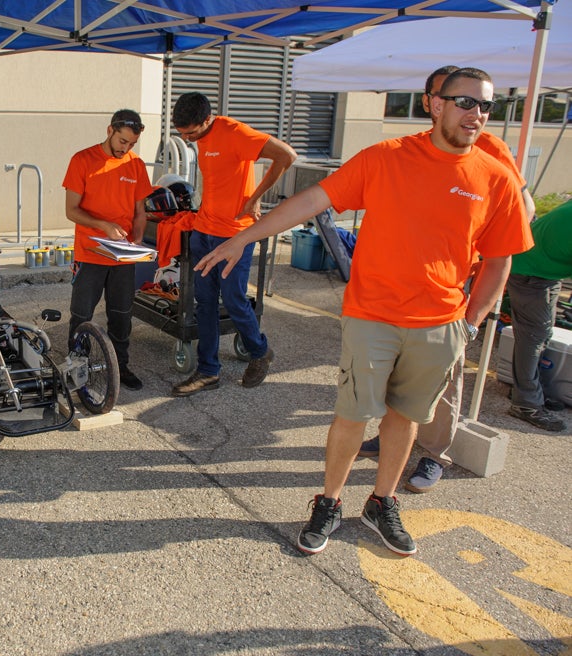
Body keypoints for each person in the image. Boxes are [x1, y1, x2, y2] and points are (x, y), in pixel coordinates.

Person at [194, 68, 532, 556]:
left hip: (440, 324)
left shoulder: (495, 177)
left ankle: (382, 501)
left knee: (405, 418)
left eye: (487, 106)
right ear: (434, 104)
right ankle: (329, 502)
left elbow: (501, 260)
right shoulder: (387, 158)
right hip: (372, 314)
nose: (477, 114)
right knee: (352, 415)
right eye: (465, 102)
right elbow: (314, 199)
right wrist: (244, 236)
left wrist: (470, 325)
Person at [358, 65, 537, 493]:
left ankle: (435, 452)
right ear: (430, 102)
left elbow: (522, 211)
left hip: (456, 289)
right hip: (402, 293)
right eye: (450, 98)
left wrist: (471, 253)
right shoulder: (408, 150)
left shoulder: (488, 146)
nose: (467, 110)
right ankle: (394, 438)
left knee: (445, 377)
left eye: (477, 103)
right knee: (400, 375)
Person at [169, 92, 297, 397]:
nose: (187, 139)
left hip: (235, 234)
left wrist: (256, 198)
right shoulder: (199, 137)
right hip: (204, 231)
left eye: (190, 133)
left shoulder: (236, 132)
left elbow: (286, 156)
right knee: (205, 303)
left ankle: (259, 351)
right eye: (182, 134)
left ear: (206, 120)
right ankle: (208, 371)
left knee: (234, 299)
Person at [63, 109, 153, 391]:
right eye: (122, 141)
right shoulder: (82, 160)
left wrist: (137, 239)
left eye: (132, 144)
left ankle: (120, 366)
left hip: (122, 256)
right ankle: (76, 370)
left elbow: (141, 212)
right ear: (109, 130)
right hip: (90, 253)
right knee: (81, 314)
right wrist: (103, 225)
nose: (126, 148)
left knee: (121, 314)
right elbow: (71, 211)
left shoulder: (136, 164)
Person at [505, 200, 572, 432]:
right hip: (530, 271)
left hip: (545, 270)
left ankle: (530, 390)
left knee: (541, 335)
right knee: (533, 338)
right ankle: (526, 404)